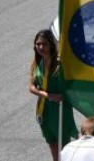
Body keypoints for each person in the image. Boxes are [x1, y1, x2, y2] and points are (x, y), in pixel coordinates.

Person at [28, 29, 75, 160]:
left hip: (59, 108)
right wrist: (47, 95)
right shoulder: (36, 63)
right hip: (43, 108)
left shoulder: (60, 65)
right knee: (51, 141)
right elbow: (31, 87)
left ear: (51, 45)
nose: (40, 47)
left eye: (44, 44)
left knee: (63, 143)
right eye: (38, 44)